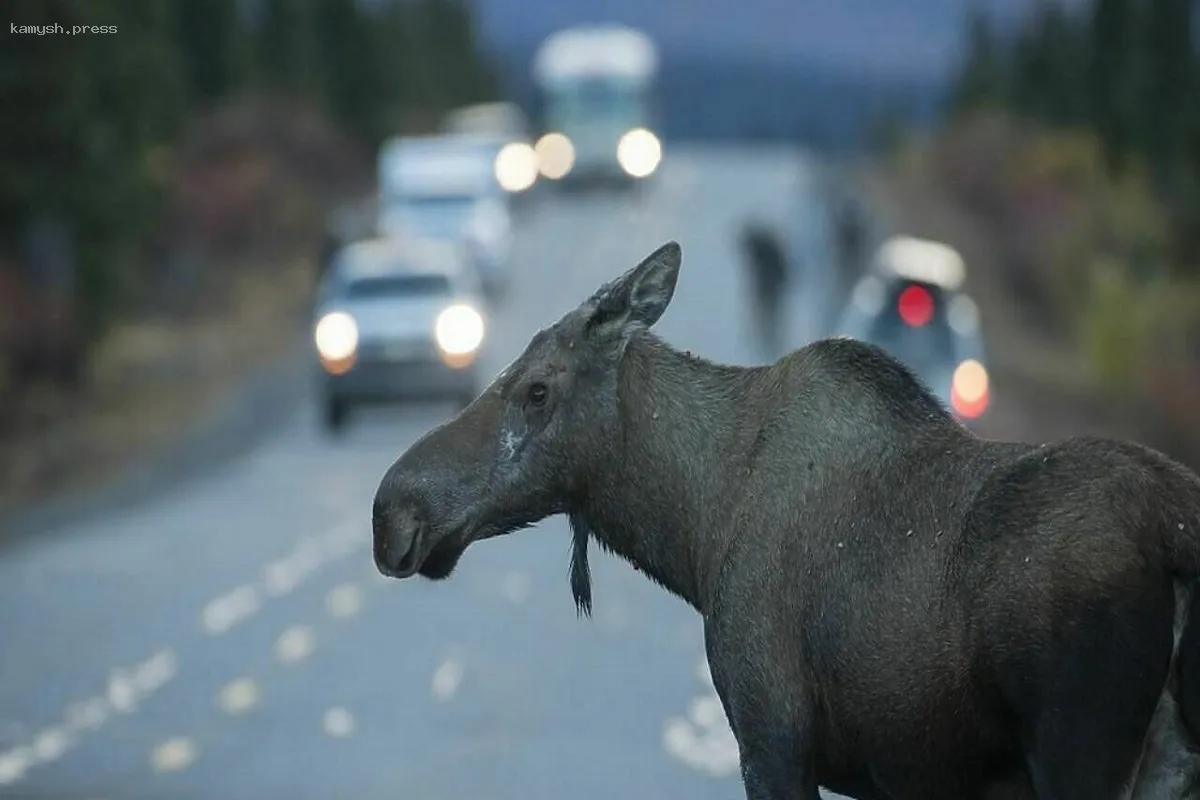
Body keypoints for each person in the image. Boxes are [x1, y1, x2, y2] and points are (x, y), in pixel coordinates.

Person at [739, 221, 788, 357]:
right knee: (768, 322)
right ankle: (768, 348)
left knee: (769, 321)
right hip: (769, 290)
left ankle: (771, 350)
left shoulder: (762, 251)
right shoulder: (767, 249)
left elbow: (776, 272)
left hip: (770, 291)